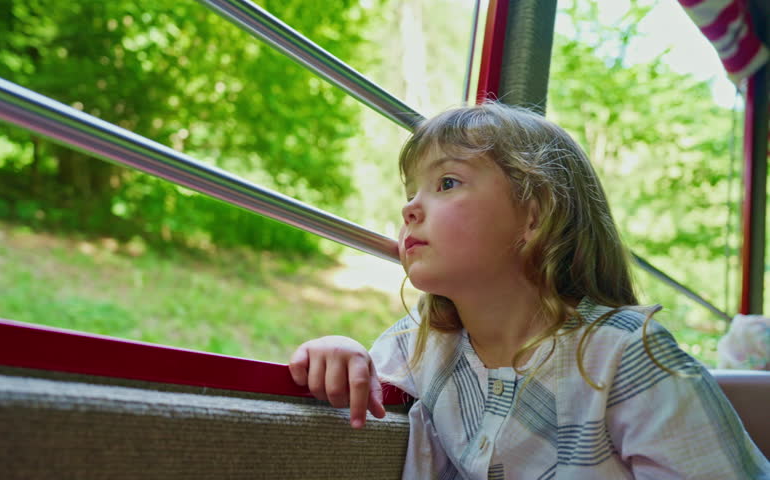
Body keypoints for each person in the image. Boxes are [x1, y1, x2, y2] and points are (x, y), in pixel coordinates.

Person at [288, 102, 770, 479]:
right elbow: (366, 376)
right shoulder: (422, 343)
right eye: (411, 191)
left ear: (535, 215)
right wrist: (340, 350)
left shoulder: (623, 355)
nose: (410, 208)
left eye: (447, 182)